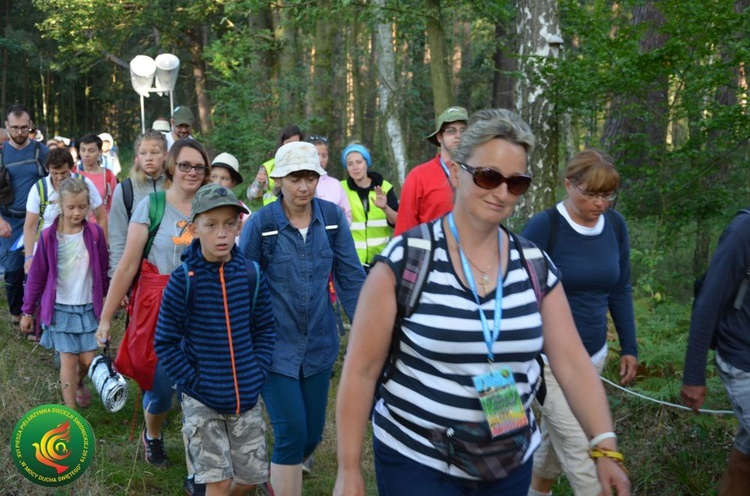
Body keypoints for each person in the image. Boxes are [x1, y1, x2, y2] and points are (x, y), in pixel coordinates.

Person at [333, 109, 630, 496]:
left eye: (517, 183)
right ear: (457, 172)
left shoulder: (535, 266)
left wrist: (604, 446)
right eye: (489, 176)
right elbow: (361, 370)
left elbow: (573, 362)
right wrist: (349, 470)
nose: (502, 192)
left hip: (508, 461)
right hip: (419, 462)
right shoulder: (406, 260)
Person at [240, 141, 365, 496]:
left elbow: (351, 279)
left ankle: (274, 478)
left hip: (320, 344)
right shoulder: (262, 224)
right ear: (279, 179)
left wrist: (365, 333)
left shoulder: (332, 219)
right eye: (295, 178)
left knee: (312, 435)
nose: (304, 186)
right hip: (273, 347)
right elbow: (241, 283)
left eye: (310, 177)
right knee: (291, 431)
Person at [522, 149, 638, 496]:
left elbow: (620, 288)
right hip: (547, 363)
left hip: (593, 357)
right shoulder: (546, 226)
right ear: (568, 184)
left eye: (607, 195)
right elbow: (516, 288)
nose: (600, 203)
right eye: (590, 194)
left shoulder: (615, 225)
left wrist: (629, 346)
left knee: (554, 447)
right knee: (587, 452)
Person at [155, 183, 276, 495]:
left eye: (229, 224)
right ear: (195, 228)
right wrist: (194, 381)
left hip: (245, 397)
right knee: (217, 482)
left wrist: (257, 372)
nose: (222, 233)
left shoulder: (251, 274)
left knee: (250, 480)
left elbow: (264, 329)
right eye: (211, 225)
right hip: (203, 400)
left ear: (238, 226)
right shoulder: (183, 281)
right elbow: (165, 341)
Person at [96, 139, 212, 467]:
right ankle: (154, 434)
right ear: (172, 167)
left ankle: (199, 463)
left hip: (203, 308)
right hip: (160, 309)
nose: (192, 172)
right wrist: (106, 318)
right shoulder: (152, 205)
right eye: (185, 165)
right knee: (161, 388)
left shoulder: (213, 205)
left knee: (198, 388)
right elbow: (128, 266)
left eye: (199, 167)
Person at [21, 177, 108, 409]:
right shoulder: (49, 236)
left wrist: (109, 299)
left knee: (89, 360)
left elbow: (102, 269)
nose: (76, 213)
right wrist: (27, 310)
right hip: (60, 307)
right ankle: (71, 413)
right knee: (68, 360)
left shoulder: (95, 234)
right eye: (70, 207)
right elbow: (37, 276)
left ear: (88, 205)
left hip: (88, 306)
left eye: (82, 207)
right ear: (60, 205)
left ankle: (79, 383)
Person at [682, 210, 750, 496]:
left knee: (745, 458)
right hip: (742, 358)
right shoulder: (743, 233)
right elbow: (708, 303)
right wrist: (693, 375)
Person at [1, 104, 49, 329]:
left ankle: (36, 317)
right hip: (8, 220)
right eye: (15, 128)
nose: (20, 133)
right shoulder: (1, 153)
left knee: (37, 269)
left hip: (38, 221)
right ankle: (16, 313)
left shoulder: (42, 152)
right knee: (12, 271)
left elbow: (58, 180)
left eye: (24, 128)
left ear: (30, 126)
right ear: (6, 126)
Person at [23, 148, 106, 276]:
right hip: (48, 249)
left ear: (71, 168)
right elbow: (30, 226)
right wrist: (29, 257)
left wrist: (102, 248)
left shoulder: (85, 184)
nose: (60, 177)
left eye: (64, 173)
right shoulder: (39, 189)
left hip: (81, 249)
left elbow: (101, 216)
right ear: (47, 169)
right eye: (55, 173)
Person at [394, 106, 467, 236]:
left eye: (463, 130)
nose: (458, 136)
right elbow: (404, 231)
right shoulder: (418, 176)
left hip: (470, 254)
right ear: (439, 137)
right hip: (432, 254)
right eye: (451, 131)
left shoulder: (479, 175)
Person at [108, 130, 168, 278]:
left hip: (172, 271)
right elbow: (118, 237)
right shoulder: (125, 190)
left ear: (166, 155)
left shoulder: (177, 187)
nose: (148, 158)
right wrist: (116, 278)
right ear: (137, 157)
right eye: (143, 153)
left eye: (155, 152)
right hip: (137, 274)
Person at [340, 142, 398, 269]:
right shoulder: (340, 189)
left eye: (359, 162)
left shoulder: (385, 187)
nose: (355, 167)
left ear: (367, 163)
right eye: (350, 164)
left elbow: (398, 222)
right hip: (351, 262)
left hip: (381, 261)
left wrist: (385, 208)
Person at [246, 125, 303, 205]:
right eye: (289, 143)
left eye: (296, 144)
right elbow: (251, 195)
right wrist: (259, 184)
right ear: (282, 144)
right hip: (272, 213)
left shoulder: (306, 166)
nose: (292, 147)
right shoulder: (268, 166)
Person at [308, 135, 351, 224]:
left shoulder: (335, 184)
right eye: (316, 155)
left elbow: (347, 215)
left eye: (324, 156)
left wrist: (340, 219)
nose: (320, 160)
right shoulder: (302, 183)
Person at [77, 134, 118, 215]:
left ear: (100, 152)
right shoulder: (73, 173)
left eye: (91, 151)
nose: (86, 155)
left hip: (101, 225)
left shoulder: (108, 176)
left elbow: (113, 206)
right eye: (83, 150)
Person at [210, 152, 250, 232]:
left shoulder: (243, 213)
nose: (217, 183)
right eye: (214, 177)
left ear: (233, 183)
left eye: (224, 178)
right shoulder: (198, 205)